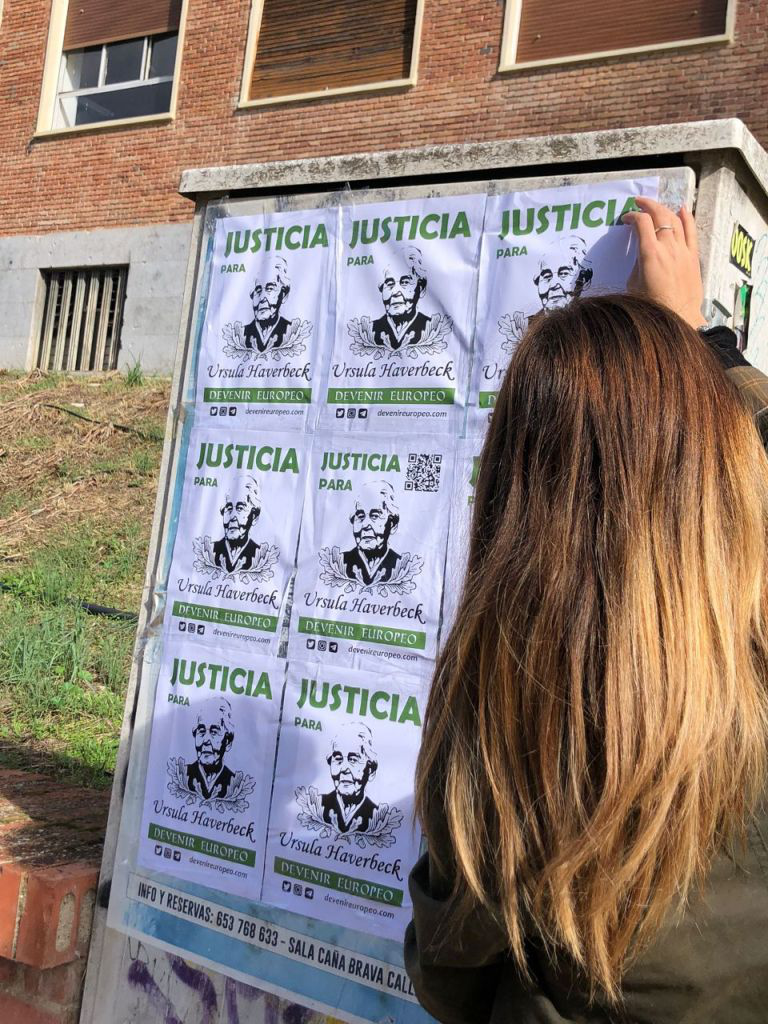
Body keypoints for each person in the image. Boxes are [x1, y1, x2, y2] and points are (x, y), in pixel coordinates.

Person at [405, 197, 768, 1023]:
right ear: (722, 472)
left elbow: (448, 973)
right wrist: (702, 348)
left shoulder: (498, 702)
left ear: (512, 491)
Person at [321, 722, 379, 834]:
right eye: (338, 759)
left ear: (371, 771)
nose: (344, 769)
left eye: (353, 760)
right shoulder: (316, 806)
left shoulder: (378, 818)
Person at [342, 481, 402, 586]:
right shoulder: (340, 563)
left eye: (375, 516)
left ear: (392, 525)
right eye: (360, 516)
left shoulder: (402, 567)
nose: (365, 525)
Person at [372, 246, 432, 350]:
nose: (395, 292)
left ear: (421, 288)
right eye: (389, 283)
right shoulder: (370, 330)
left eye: (405, 282)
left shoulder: (432, 329)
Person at [185, 698, 236, 801]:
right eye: (201, 731)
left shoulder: (235, 785)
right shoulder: (182, 775)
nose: (206, 740)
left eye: (214, 732)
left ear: (228, 742)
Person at [213, 476, 261, 574]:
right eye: (229, 508)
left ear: (254, 517)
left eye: (240, 508)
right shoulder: (210, 551)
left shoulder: (260, 556)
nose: (232, 517)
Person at [244, 257, 292, 352]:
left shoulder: (292, 332)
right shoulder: (241, 335)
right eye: (258, 290)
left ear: (284, 295)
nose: (262, 298)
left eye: (270, 289)